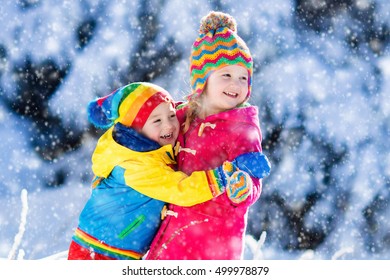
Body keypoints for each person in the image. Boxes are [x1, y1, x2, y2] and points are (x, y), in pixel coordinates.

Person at [67, 82, 270, 260]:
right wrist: (226, 174)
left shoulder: (151, 146)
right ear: (136, 128)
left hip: (117, 248)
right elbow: (179, 188)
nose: (170, 125)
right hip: (97, 252)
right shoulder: (134, 166)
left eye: (171, 116)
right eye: (157, 120)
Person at [146, 11, 269, 260]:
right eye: (226, 75)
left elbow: (253, 178)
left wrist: (244, 187)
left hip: (214, 244)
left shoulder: (242, 128)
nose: (235, 84)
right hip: (171, 238)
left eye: (242, 77)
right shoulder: (181, 117)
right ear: (203, 79)